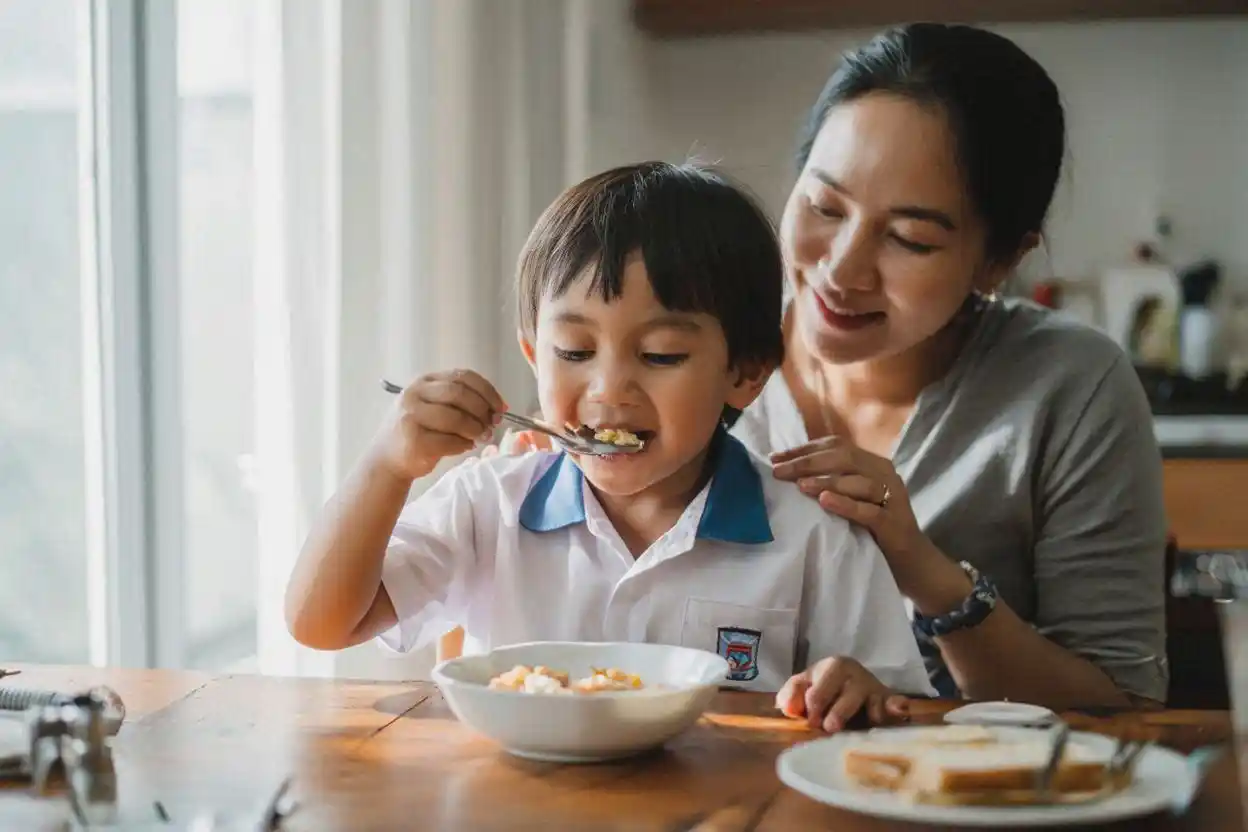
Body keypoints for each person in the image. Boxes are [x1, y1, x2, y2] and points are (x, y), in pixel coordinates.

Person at [495, 24, 1170, 710]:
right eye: (823, 206)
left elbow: (1126, 706)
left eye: (910, 239)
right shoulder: (694, 349)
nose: (842, 270)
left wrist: (924, 569)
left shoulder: (1072, 388)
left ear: (1000, 260)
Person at [284, 161, 937, 732]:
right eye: (574, 351)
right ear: (534, 354)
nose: (608, 388)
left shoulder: (815, 534)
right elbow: (320, 623)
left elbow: (893, 705)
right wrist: (387, 466)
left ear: (745, 373)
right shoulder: (489, 505)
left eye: (661, 354)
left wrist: (857, 691)